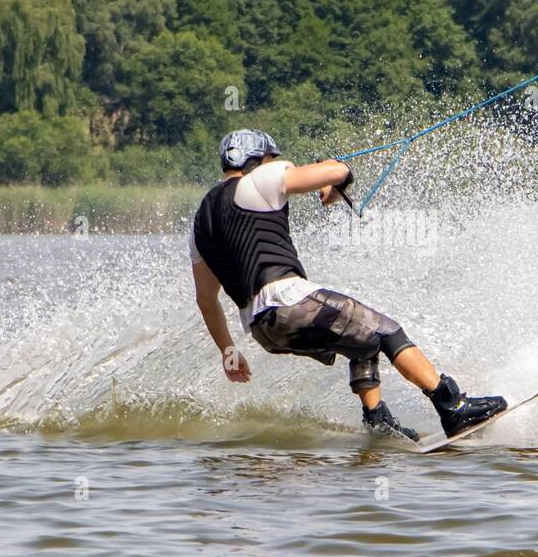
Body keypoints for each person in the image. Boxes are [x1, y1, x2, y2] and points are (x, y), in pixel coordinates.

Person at [190, 129, 506, 442]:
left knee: (360, 336)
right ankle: (452, 405)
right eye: (273, 157)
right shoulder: (261, 177)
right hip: (289, 302)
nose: (277, 162)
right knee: (386, 330)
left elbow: (206, 300)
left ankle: (379, 421)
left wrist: (228, 351)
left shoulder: (201, 223)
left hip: (263, 329)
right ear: (257, 159)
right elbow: (338, 170)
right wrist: (332, 171)